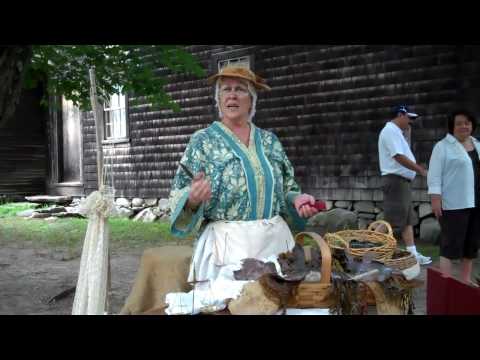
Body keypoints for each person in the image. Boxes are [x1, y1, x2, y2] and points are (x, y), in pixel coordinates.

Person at [427, 110, 480, 286]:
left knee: (471, 244)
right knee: (450, 244)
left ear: (472, 125)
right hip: (454, 203)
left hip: (476, 201)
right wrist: (436, 199)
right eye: (459, 123)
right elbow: (434, 176)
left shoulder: (478, 144)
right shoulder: (442, 146)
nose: (463, 126)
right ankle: (446, 282)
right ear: (452, 126)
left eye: (467, 123)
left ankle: (465, 281)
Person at [378, 105, 432, 265]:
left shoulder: (397, 133)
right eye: (410, 118)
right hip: (395, 181)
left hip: (401, 181)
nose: (411, 122)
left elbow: (402, 152)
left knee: (406, 219)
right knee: (392, 220)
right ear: (400, 114)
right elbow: (398, 156)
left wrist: (407, 134)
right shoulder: (390, 131)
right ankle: (368, 248)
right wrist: (420, 170)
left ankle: (412, 254)